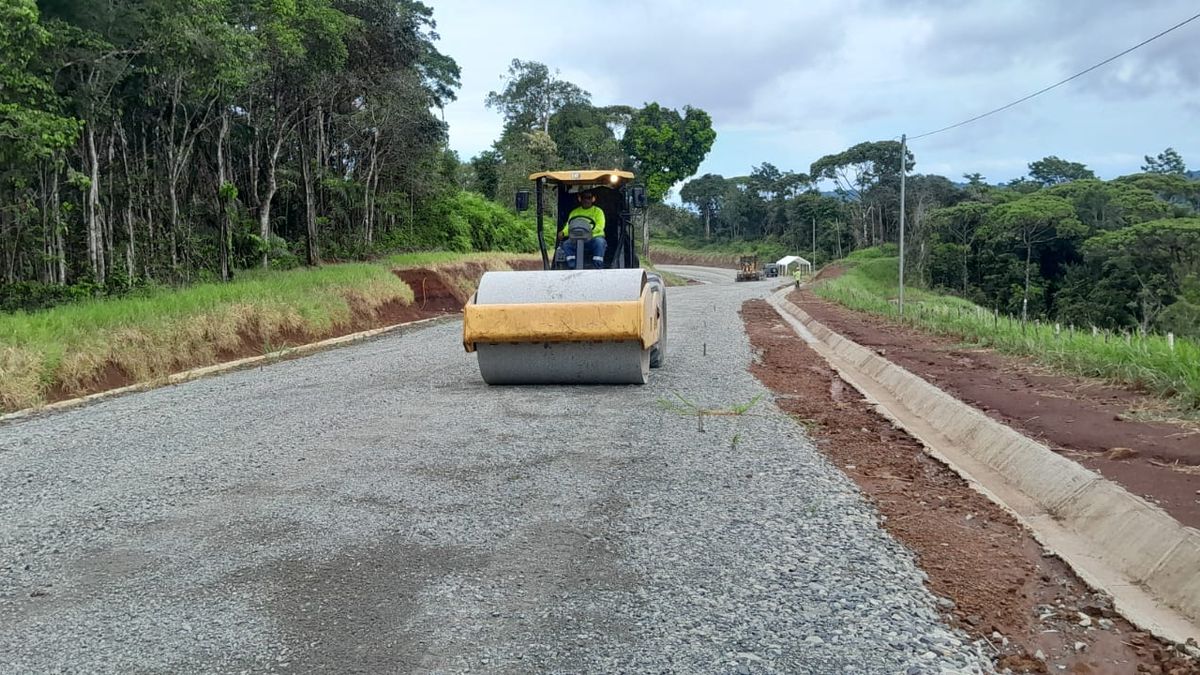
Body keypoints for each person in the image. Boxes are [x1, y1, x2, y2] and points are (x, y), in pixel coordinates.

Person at [558, 190, 606, 269]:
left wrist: (586, 232)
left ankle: (597, 266)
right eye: (584, 198)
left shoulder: (598, 212)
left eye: (589, 198)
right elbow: (569, 226)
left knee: (599, 242)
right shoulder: (575, 212)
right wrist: (563, 232)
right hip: (576, 238)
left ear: (593, 199)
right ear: (580, 199)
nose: (586, 200)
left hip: (593, 238)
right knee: (566, 244)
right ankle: (572, 266)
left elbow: (600, 226)